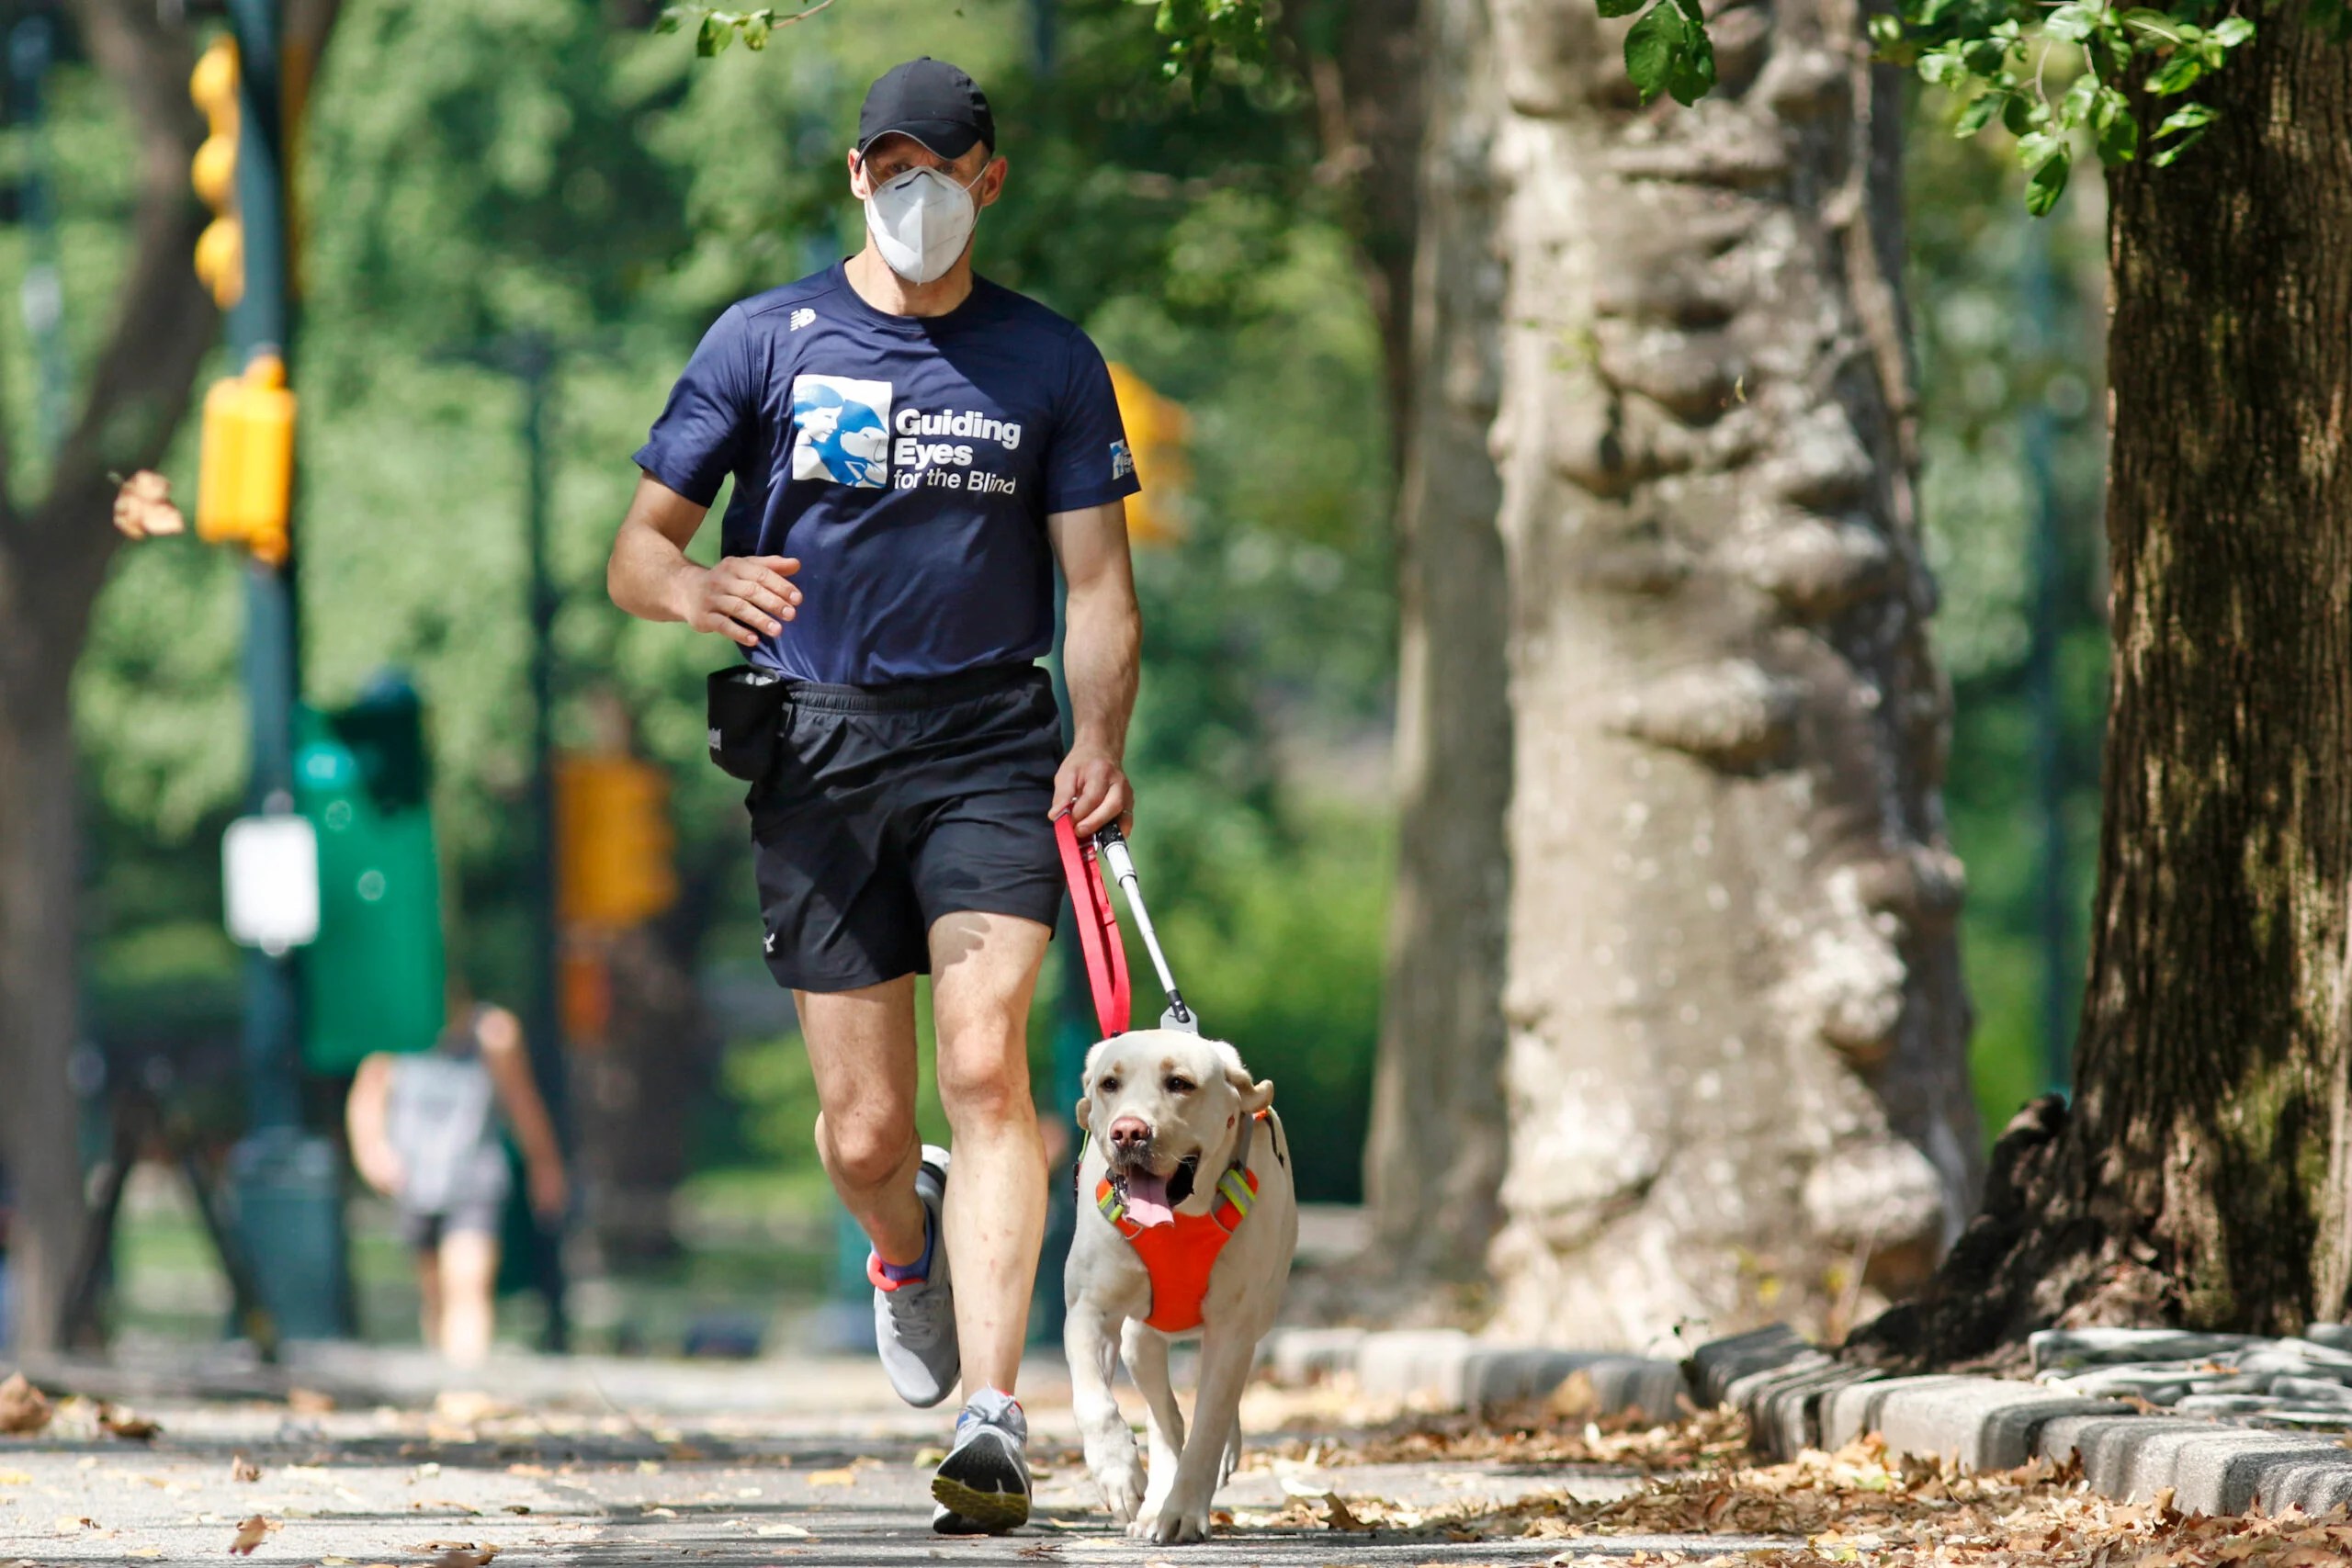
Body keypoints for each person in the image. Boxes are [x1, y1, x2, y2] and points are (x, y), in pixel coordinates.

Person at [606, 56, 1141, 1534]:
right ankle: (898, 1248)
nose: (914, 192)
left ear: (987, 180)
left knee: (987, 1068)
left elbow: (1097, 586)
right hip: (814, 753)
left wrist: (1099, 736)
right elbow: (635, 550)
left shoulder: (1047, 361)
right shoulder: (763, 340)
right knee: (858, 1128)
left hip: (987, 742)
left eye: (940, 167)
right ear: (855, 177)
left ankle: (992, 1409)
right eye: (887, 166)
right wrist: (699, 582)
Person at [345, 995, 569, 1365]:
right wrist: (373, 1152)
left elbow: (521, 1101)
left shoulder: (493, 1032)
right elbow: (368, 1096)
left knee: (468, 1285)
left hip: (474, 1179)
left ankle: (466, 1385)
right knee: (435, 1293)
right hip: (416, 1181)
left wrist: (545, 1166)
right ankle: (444, 1386)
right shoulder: (393, 1027)